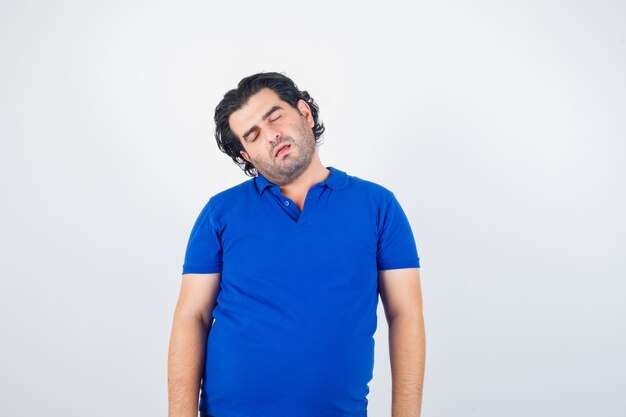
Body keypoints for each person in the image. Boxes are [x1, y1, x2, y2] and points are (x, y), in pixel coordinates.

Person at [167, 72, 425, 417]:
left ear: (305, 113)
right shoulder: (220, 212)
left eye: (275, 117)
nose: (271, 136)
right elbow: (191, 316)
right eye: (253, 135)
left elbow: (405, 314)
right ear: (245, 154)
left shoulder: (378, 206)